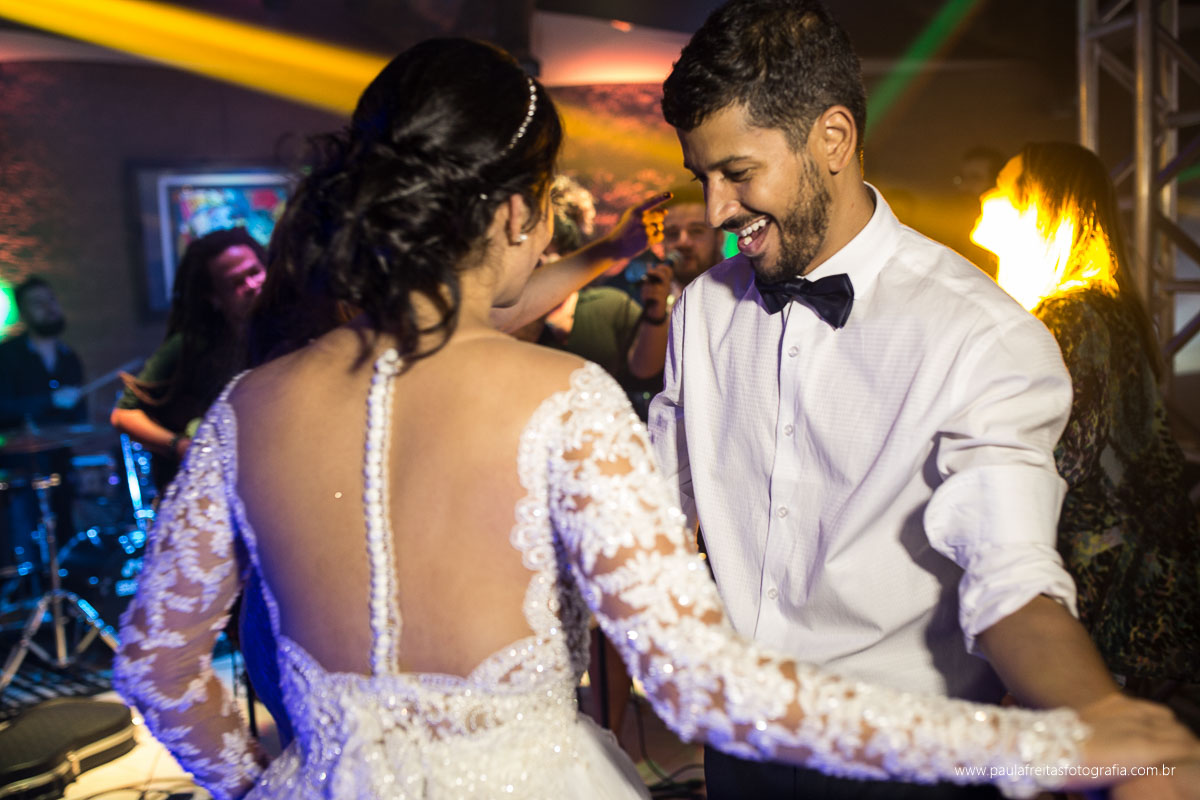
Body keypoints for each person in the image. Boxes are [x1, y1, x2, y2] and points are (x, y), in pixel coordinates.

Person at [111, 37, 1200, 800]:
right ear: (515, 212)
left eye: (734, 173)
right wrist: (1038, 748)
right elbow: (703, 684)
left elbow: (156, 666)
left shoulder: (248, 410)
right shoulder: (562, 398)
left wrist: (280, 780)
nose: (716, 212)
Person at [651, 1, 1199, 798]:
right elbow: (654, 513)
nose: (716, 213)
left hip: (910, 767)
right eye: (702, 178)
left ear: (832, 139)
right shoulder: (702, 312)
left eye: (737, 174)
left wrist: (1097, 716)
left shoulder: (981, 334)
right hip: (738, 752)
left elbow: (1010, 576)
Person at [971, 141, 1200, 714]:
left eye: (1004, 184)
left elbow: (1060, 467)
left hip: (1101, 595)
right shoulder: (1102, 307)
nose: (986, 194)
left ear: (1044, 205)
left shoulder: (1072, 316)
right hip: (1125, 589)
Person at [110, 227, 266, 493]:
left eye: (255, 272)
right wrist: (179, 446)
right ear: (214, 298)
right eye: (236, 283)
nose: (252, 286)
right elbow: (123, 415)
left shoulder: (289, 334)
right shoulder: (189, 346)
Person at [0, 276, 86, 581]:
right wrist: (49, 400)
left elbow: (80, 421)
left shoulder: (68, 357)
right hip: (19, 469)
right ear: (23, 313)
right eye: (38, 303)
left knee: (66, 538)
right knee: (25, 543)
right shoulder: (7, 356)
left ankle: (67, 592)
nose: (49, 308)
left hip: (60, 463)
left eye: (51, 300)